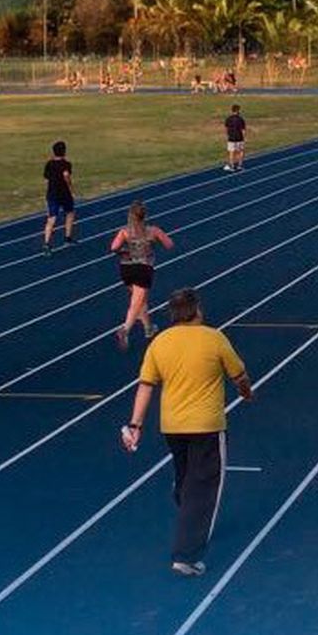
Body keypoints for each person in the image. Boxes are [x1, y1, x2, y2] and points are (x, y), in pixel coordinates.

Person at [122, 289, 254, 576]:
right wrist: (245, 392)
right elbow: (239, 375)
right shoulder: (214, 338)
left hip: (172, 426)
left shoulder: (160, 342)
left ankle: (183, 493)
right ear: (198, 311)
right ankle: (186, 555)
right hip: (207, 425)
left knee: (186, 478)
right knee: (204, 489)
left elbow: (146, 384)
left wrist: (135, 425)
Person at [110, 200, 175, 350]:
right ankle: (125, 329)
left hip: (126, 268)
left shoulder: (124, 231)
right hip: (143, 268)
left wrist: (124, 251)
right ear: (144, 215)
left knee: (141, 300)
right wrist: (153, 243)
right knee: (135, 303)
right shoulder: (153, 230)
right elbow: (170, 244)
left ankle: (148, 328)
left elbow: (113, 247)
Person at [42, 141, 77, 251]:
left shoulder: (49, 164)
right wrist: (71, 190)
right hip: (64, 193)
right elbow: (66, 176)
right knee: (70, 213)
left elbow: (46, 180)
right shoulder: (66, 164)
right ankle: (68, 238)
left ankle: (47, 243)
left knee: (51, 218)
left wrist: (48, 193)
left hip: (52, 194)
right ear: (64, 151)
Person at [223, 104, 247, 172]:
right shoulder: (241, 119)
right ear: (238, 110)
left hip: (231, 138)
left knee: (231, 152)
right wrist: (244, 138)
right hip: (240, 137)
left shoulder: (228, 119)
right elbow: (243, 130)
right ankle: (239, 166)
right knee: (241, 151)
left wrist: (228, 135)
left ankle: (232, 166)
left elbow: (226, 128)